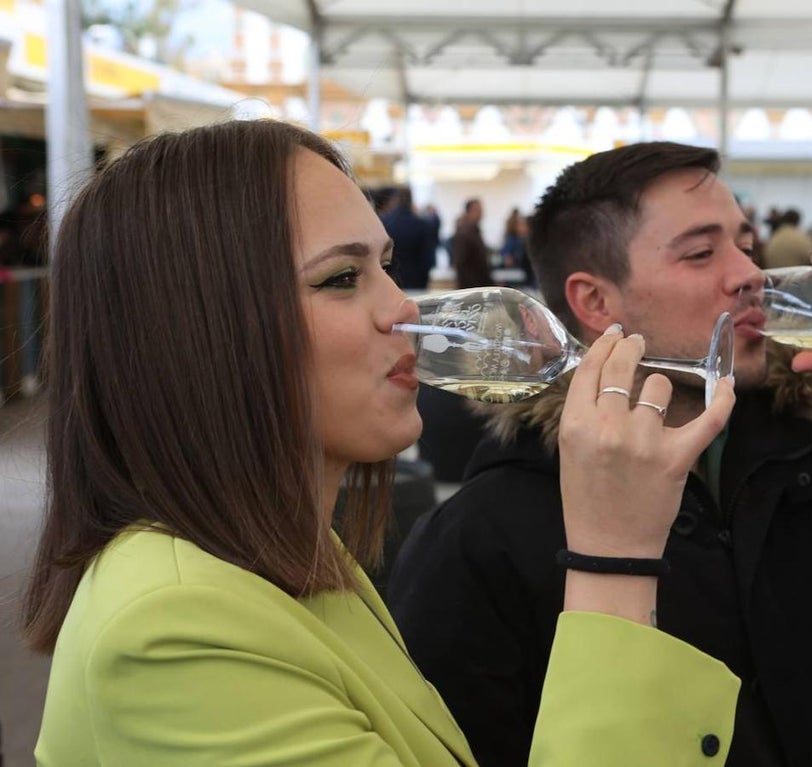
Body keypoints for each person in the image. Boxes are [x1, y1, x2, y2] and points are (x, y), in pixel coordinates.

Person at [21, 120, 742, 766]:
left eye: (386, 264)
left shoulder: (294, 555)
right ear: (203, 331)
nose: (402, 308)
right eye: (342, 277)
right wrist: (611, 556)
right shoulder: (171, 631)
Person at [387, 141, 812, 767]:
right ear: (594, 301)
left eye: (745, 242)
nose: (748, 271)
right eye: (701, 252)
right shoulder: (489, 528)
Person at [381, 186, 435, 290]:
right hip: (416, 278)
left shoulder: (385, 222)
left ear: (395, 199)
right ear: (411, 199)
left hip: (392, 279)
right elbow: (427, 258)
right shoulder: (421, 224)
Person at [453, 197, 493, 288]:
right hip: (471, 287)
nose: (481, 212)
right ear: (469, 211)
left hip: (479, 285)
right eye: (477, 210)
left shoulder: (475, 231)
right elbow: (461, 263)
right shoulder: (465, 233)